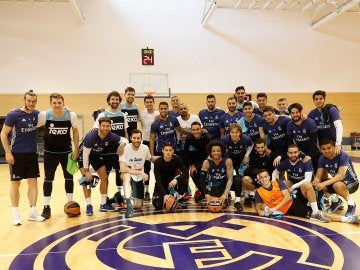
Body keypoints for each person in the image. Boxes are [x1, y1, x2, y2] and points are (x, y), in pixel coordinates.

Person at [0, 90, 45, 225]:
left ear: (36, 101)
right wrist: (8, 152)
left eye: (33, 101)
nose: (31, 103)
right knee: (15, 184)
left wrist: (66, 109)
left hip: (31, 154)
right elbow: (3, 134)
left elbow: (53, 114)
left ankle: (32, 212)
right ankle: (15, 214)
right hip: (16, 154)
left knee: (33, 183)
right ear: (24, 100)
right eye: (29, 101)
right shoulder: (13, 114)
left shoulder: (38, 115)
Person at [255, 169, 360, 224]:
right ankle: (349, 219)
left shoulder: (277, 183)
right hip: (290, 209)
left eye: (265, 176)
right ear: (259, 180)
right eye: (261, 178)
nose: (264, 179)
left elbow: (287, 197)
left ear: (269, 177)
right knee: (321, 213)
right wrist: (261, 212)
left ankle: (315, 212)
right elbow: (258, 208)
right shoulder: (259, 191)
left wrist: (273, 208)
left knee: (307, 184)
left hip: (292, 201)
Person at [37, 93, 80, 219]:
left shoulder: (71, 115)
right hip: (50, 153)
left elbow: (76, 132)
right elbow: (33, 124)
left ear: (63, 103)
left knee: (69, 178)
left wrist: (76, 148)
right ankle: (46, 207)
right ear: (50, 104)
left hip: (67, 152)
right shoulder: (45, 115)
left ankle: (70, 203)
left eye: (59, 103)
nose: (57, 105)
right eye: (54, 103)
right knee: (48, 179)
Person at [78, 117, 128, 216]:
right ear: (99, 126)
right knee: (87, 180)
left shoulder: (111, 135)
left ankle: (103, 204)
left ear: (110, 127)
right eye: (103, 126)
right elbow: (85, 155)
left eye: (107, 126)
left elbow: (125, 140)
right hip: (83, 156)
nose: (105, 128)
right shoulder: (90, 137)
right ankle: (89, 205)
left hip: (96, 156)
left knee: (104, 178)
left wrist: (121, 146)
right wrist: (87, 170)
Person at [272, 144, 329, 222]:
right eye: (291, 153)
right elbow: (275, 172)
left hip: (307, 190)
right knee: (284, 183)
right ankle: (282, 205)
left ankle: (316, 212)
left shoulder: (306, 160)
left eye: (295, 152)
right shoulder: (285, 162)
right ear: (287, 153)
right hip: (296, 190)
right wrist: (274, 185)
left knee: (307, 184)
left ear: (299, 152)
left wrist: (293, 187)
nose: (293, 155)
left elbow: (308, 179)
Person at [93, 91, 129, 197]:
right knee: (105, 176)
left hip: (120, 151)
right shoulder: (103, 115)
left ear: (119, 101)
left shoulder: (122, 115)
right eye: (113, 99)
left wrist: (125, 147)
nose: (115, 101)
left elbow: (125, 133)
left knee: (120, 173)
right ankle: (105, 198)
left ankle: (120, 195)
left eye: (117, 99)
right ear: (109, 101)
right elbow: (95, 130)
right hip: (106, 151)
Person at [313, 139, 359, 217]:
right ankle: (336, 201)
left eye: (329, 148)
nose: (326, 151)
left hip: (352, 182)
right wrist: (315, 182)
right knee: (320, 184)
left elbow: (341, 176)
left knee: (336, 185)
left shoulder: (343, 155)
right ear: (321, 150)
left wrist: (322, 183)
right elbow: (318, 175)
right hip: (337, 183)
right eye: (323, 149)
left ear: (334, 147)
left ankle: (351, 205)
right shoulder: (322, 158)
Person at [119, 129, 158, 218]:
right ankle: (129, 205)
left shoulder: (145, 148)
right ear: (130, 138)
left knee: (138, 206)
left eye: (138, 138)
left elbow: (150, 159)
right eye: (134, 138)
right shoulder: (124, 148)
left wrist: (164, 157)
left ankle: (119, 197)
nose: (136, 140)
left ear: (141, 138)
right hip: (127, 172)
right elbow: (122, 168)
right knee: (127, 176)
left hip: (138, 176)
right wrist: (140, 172)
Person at [221, 124, 253, 210]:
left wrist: (246, 155)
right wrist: (227, 159)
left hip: (241, 160)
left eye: (237, 132)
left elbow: (251, 145)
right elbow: (222, 150)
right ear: (229, 133)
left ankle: (246, 197)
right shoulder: (224, 139)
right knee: (227, 176)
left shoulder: (246, 139)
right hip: (230, 160)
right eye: (232, 132)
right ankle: (227, 196)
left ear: (240, 133)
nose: (234, 134)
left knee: (243, 178)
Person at [242, 138, 281, 207]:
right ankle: (248, 197)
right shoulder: (253, 157)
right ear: (255, 148)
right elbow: (247, 171)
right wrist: (258, 173)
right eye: (258, 148)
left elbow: (285, 157)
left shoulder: (271, 155)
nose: (260, 149)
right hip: (257, 180)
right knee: (245, 178)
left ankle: (268, 195)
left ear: (265, 146)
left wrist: (279, 157)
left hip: (269, 181)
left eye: (262, 147)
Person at [152, 142, 189, 210]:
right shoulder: (158, 162)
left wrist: (176, 179)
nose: (168, 152)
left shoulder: (177, 159)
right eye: (166, 150)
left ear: (173, 151)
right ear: (162, 150)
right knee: (157, 205)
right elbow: (158, 181)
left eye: (170, 150)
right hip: (161, 186)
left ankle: (179, 196)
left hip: (172, 185)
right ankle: (171, 197)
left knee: (184, 178)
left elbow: (186, 173)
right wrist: (164, 195)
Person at [199, 140, 234, 208]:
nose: (216, 153)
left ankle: (236, 200)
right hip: (215, 184)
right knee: (215, 197)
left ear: (222, 152)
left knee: (238, 180)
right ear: (210, 152)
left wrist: (225, 194)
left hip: (225, 183)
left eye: (218, 151)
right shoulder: (206, 162)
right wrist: (206, 194)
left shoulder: (228, 161)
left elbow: (230, 179)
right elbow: (202, 180)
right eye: (213, 151)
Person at [183, 121, 212, 202]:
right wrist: (192, 165)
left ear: (201, 129)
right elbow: (186, 153)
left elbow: (211, 152)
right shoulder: (189, 138)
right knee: (193, 173)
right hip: (195, 160)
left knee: (202, 173)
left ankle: (208, 192)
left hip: (207, 158)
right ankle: (204, 193)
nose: (196, 132)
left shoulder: (207, 137)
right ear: (191, 131)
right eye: (194, 130)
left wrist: (206, 163)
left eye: (198, 129)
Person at [308, 90, 343, 155]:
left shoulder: (332, 110)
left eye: (321, 98)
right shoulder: (311, 114)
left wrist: (338, 144)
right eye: (316, 99)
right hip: (322, 148)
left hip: (334, 146)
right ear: (313, 101)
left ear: (324, 99)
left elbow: (339, 126)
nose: (318, 101)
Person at [139, 95, 159, 202]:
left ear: (154, 102)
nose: (149, 104)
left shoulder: (158, 114)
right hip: (146, 143)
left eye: (151, 102)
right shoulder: (141, 114)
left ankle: (159, 189)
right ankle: (146, 191)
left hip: (158, 143)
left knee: (159, 168)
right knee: (146, 168)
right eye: (147, 102)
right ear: (144, 103)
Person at [287, 103, 320, 169]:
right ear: (290, 114)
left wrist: (309, 156)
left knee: (316, 174)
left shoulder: (310, 122)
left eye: (297, 112)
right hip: (300, 154)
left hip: (313, 153)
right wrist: (298, 155)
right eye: (293, 113)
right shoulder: (290, 124)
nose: (295, 115)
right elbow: (290, 142)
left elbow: (313, 142)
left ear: (301, 112)